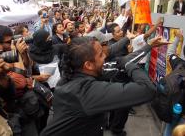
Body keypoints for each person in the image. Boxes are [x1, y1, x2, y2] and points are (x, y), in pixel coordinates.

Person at [40, 36, 168, 136]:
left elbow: (121, 63)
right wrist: (129, 65)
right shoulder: (86, 92)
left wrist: (148, 46)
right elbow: (147, 89)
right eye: (101, 55)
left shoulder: (76, 72)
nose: (105, 56)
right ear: (88, 65)